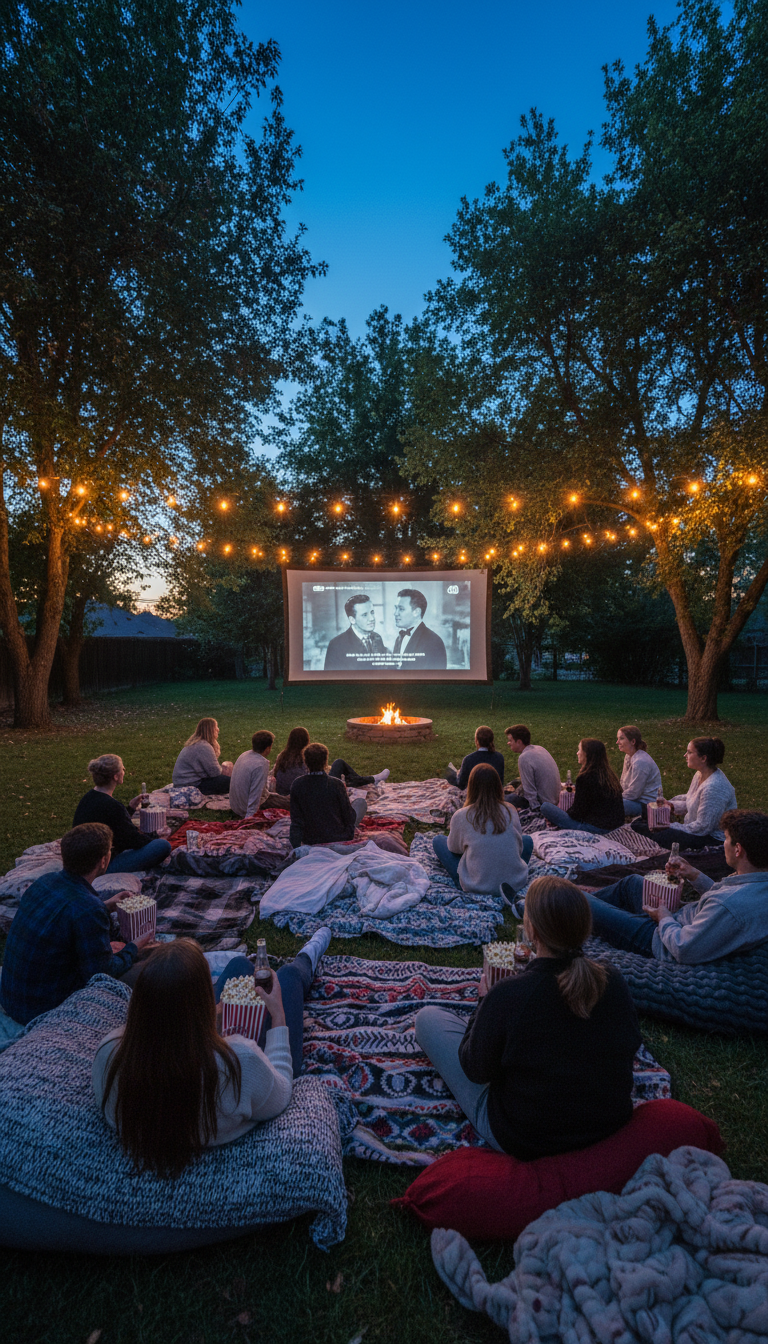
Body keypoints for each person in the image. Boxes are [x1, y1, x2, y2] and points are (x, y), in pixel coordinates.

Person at [415, 876, 641, 1158]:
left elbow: (475, 1068)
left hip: (525, 1136)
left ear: (531, 929)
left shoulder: (509, 995)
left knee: (427, 1019)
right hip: (607, 1122)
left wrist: (484, 1002)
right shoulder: (614, 981)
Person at [91, 927, 333, 1178]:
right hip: (233, 1064)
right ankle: (309, 954)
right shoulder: (239, 1063)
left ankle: (290, 959)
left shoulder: (108, 1055)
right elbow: (281, 1093)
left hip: (197, 1039)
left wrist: (215, 1014)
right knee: (289, 976)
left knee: (240, 964)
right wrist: (278, 1014)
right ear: (201, 1004)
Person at [0, 823, 155, 1027]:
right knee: (150, 967)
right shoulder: (87, 909)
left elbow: (66, 916)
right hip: (40, 1008)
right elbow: (102, 973)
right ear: (103, 860)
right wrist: (135, 946)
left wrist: (106, 906)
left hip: (12, 996)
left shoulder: (44, 882)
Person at [584, 809, 768, 964]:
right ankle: (589, 917)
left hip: (658, 942)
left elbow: (684, 948)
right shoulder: (756, 882)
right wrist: (694, 874)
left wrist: (664, 917)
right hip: (677, 923)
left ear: (738, 850)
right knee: (632, 883)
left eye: (726, 839)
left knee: (580, 899)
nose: (723, 843)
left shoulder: (730, 906)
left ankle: (570, 912)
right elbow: (723, 899)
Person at [433, 763, 533, 895]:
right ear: (498, 786)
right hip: (515, 883)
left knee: (438, 840)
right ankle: (508, 872)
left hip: (477, 886)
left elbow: (454, 849)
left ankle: (471, 878)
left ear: (471, 787)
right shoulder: (510, 810)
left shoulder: (462, 815)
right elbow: (518, 846)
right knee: (527, 840)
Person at [631, 737, 737, 849]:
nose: (685, 755)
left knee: (657, 832)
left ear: (703, 758)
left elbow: (703, 827)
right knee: (644, 819)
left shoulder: (714, 787)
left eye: (690, 752)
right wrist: (671, 805)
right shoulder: (700, 774)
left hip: (710, 839)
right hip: (695, 830)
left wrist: (669, 826)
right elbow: (693, 800)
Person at [72, 755, 172, 873]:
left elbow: (114, 823)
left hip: (81, 860)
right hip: (100, 867)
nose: (124, 771)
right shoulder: (112, 806)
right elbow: (132, 840)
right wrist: (156, 836)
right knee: (162, 846)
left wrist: (130, 808)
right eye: (122, 769)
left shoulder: (89, 797)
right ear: (115, 776)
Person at [289, 742, 368, 847]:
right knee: (360, 803)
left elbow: (296, 820)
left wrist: (296, 846)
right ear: (325, 761)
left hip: (311, 839)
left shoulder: (297, 784)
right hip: (339, 837)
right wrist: (348, 831)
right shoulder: (336, 784)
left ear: (305, 761)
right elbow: (348, 815)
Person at [540, 738, 625, 833]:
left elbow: (577, 813)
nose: (577, 753)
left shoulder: (585, 777)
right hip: (615, 825)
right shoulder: (609, 775)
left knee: (545, 807)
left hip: (594, 828)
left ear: (586, 754)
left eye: (579, 750)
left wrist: (565, 814)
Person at [323, 594, 389, 671]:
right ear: (352, 620)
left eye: (372, 612)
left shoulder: (377, 638)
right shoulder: (336, 644)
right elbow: (331, 678)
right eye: (365, 615)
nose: (372, 618)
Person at [504, 725, 561, 810]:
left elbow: (529, 791)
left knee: (500, 800)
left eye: (510, 740)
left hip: (544, 805)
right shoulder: (539, 748)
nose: (508, 743)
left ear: (519, 742)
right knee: (517, 781)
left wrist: (535, 810)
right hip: (554, 798)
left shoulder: (524, 758)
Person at [172, 718, 233, 795]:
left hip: (182, 782)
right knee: (231, 781)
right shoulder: (203, 746)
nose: (218, 729)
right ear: (210, 730)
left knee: (227, 778)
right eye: (215, 727)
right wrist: (225, 769)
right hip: (191, 785)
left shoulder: (197, 744)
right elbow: (215, 773)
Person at [392, 589, 447, 669]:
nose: (395, 613)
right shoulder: (399, 639)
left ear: (416, 612)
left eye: (401, 609)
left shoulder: (434, 642)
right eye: (396, 608)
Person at [616, 725, 662, 818]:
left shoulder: (640, 761)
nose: (617, 742)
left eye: (621, 739)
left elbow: (634, 794)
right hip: (634, 800)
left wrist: (614, 798)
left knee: (610, 806)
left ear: (633, 741)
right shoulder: (629, 756)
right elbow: (624, 784)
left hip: (647, 805)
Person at [229, 730, 276, 817]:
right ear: (268, 748)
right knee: (290, 802)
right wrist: (250, 818)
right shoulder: (261, 764)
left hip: (235, 806)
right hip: (245, 808)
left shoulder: (244, 754)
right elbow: (256, 794)